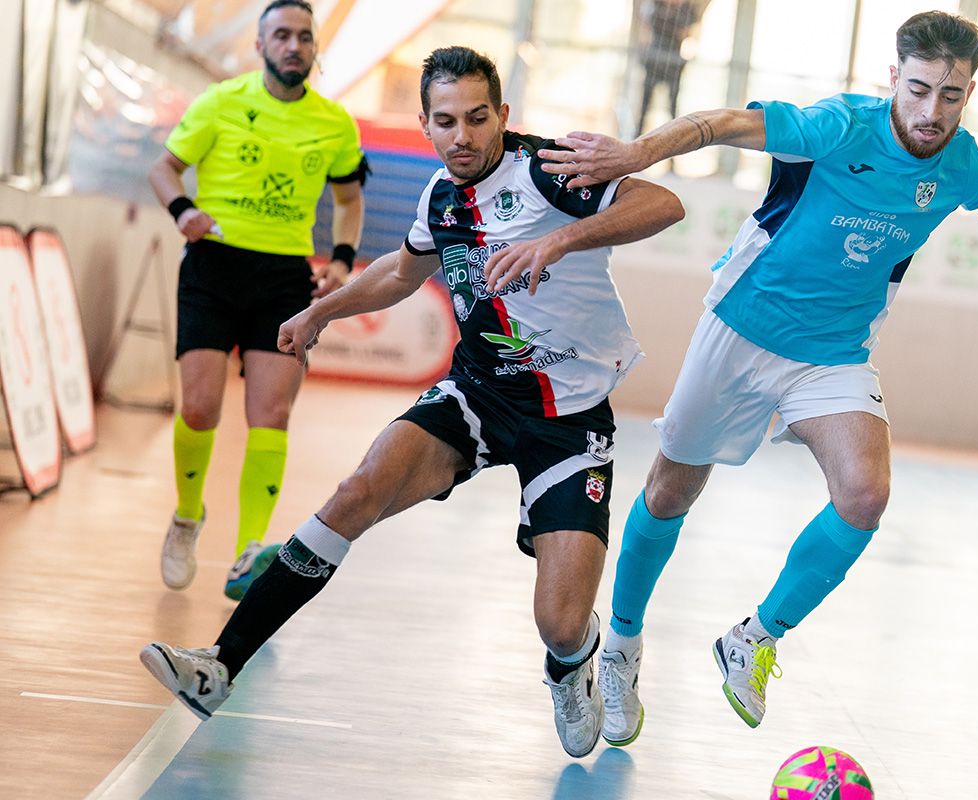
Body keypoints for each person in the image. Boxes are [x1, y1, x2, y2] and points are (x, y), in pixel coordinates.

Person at [538, 10, 978, 743]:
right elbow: (724, 123)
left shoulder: (961, 162)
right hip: (741, 329)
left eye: (950, 96)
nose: (932, 112)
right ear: (893, 78)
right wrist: (634, 152)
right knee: (671, 491)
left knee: (865, 495)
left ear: (969, 91)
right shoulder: (841, 127)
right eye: (919, 90)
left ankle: (756, 638)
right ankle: (625, 644)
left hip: (834, 355)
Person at [140, 46, 684, 759]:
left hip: (569, 422)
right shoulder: (439, 196)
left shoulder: (550, 170)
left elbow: (664, 203)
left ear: (503, 116)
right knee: (356, 492)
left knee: (559, 621)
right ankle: (221, 664)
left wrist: (561, 240)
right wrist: (320, 314)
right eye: (446, 121)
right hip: (477, 394)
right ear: (426, 124)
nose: (462, 136)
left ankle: (572, 664)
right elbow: (401, 271)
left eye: (478, 118)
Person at [147, 0, 368, 601]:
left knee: (270, 415)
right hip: (214, 268)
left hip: (283, 279)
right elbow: (164, 169)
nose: (293, 45)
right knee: (200, 408)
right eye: (281, 35)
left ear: (314, 48)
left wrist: (343, 260)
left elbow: (349, 200)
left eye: (304, 36)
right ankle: (188, 515)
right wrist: (182, 210)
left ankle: (248, 553)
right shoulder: (220, 102)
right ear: (260, 45)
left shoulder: (334, 123)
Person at [636, 0, 711, 133]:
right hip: (654, 64)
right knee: (644, 107)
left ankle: (674, 140)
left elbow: (688, 33)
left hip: (673, 67)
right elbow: (646, 23)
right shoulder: (655, 6)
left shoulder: (686, 10)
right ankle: (637, 138)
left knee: (673, 109)